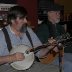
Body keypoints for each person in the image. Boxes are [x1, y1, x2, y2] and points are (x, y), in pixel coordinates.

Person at [0, 5, 59, 72]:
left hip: (31, 65)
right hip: (9, 68)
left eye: (25, 18)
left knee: (56, 69)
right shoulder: (2, 35)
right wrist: (11, 58)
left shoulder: (29, 31)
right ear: (12, 20)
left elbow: (40, 54)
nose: (25, 21)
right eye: (22, 18)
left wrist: (49, 47)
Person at [36, 2, 72, 72]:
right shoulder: (43, 28)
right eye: (57, 13)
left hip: (61, 53)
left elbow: (67, 43)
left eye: (59, 13)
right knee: (69, 65)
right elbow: (39, 47)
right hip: (50, 58)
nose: (59, 15)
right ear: (49, 13)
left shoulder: (60, 27)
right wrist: (51, 47)